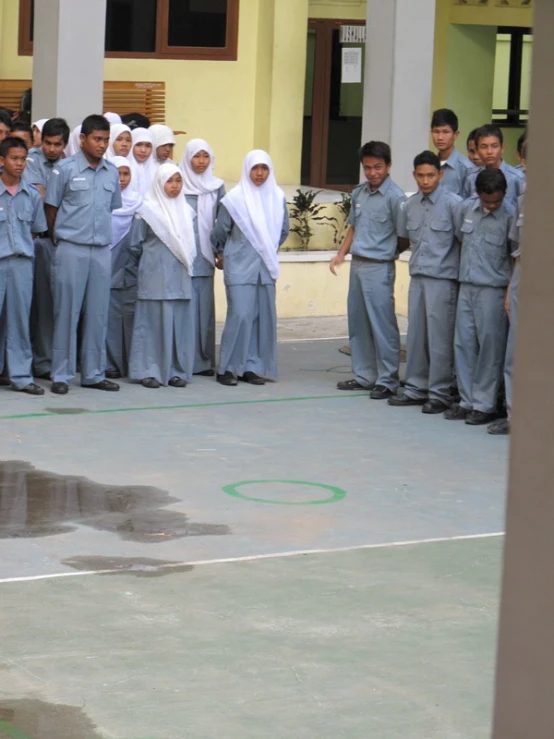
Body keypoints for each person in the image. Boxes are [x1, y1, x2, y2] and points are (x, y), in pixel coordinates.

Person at [45, 114, 122, 395]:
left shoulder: (111, 172)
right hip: (70, 248)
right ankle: (62, 374)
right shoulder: (64, 169)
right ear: (83, 140)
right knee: (66, 311)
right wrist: (61, 240)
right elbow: (51, 209)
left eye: (105, 140)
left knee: (98, 313)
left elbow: (111, 209)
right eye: (97, 139)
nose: (102, 145)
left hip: (101, 250)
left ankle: (93, 373)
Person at [330, 141, 407, 399]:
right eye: (368, 168)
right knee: (358, 322)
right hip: (358, 265)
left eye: (378, 167)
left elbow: (403, 235)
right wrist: (341, 254)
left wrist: (386, 253)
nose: (373, 172)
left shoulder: (395, 197)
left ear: (389, 166)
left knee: (382, 324)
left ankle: (388, 379)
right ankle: (364, 375)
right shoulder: (359, 193)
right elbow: (353, 226)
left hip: (379, 267)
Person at [389, 151, 461, 413]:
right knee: (417, 335)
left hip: (443, 280)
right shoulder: (410, 205)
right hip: (417, 277)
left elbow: (462, 243)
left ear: (440, 175)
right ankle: (416, 388)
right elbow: (405, 239)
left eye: (430, 175)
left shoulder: (454, 204)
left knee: (440, 338)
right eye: (420, 175)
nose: (425, 180)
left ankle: (440, 393)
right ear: (414, 175)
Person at [211, 150, 289, 387]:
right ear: (247, 169)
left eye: (264, 168)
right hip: (239, 265)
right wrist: (221, 253)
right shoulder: (235, 199)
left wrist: (266, 249)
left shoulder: (277, 197)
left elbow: (283, 229)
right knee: (241, 315)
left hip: (265, 268)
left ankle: (251, 367)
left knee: (260, 317)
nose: (259, 173)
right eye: (255, 168)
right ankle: (226, 368)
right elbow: (219, 231)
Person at [445, 168, 514, 425]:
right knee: (463, 344)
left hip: (493, 289)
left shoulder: (509, 216)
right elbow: (462, 242)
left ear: (504, 195)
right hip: (467, 285)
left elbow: (515, 256)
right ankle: (467, 400)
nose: (492, 205)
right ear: (478, 194)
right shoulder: (467, 209)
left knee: (490, 348)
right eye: (487, 201)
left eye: (497, 200)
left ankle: (484, 404)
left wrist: (508, 294)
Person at [128, 163, 196, 389]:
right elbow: (135, 245)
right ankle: (149, 370)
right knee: (152, 324)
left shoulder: (187, 212)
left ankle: (176, 370)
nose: (175, 186)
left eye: (178, 181)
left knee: (177, 324)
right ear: (159, 183)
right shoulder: (146, 211)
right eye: (169, 181)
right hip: (154, 277)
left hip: (179, 278)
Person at [0, 136, 47, 395]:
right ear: (2, 161)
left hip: (21, 265)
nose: (19, 164)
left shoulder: (31, 194)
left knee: (19, 322)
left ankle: (20, 376)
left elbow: (36, 230)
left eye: (22, 159)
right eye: (14, 159)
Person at [25, 118, 70, 380]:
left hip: (63, 241)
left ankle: (57, 360)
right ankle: (40, 361)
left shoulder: (70, 164)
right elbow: (42, 198)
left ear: (65, 144)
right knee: (39, 305)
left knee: (58, 304)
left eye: (58, 145)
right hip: (41, 239)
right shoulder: (30, 159)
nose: (52, 150)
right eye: (48, 144)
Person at [181, 139, 226, 376]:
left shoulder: (216, 186)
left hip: (206, 256)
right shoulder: (177, 181)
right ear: (187, 157)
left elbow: (222, 222)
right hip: (182, 255)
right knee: (184, 310)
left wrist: (220, 251)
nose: (200, 162)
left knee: (204, 311)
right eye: (196, 156)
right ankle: (182, 359)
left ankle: (203, 361)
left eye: (205, 156)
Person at [105, 157, 143, 379]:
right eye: (117, 173)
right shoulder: (104, 202)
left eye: (126, 174)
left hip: (130, 271)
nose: (121, 179)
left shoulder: (139, 204)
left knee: (130, 316)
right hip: (107, 267)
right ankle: (109, 363)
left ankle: (131, 362)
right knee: (108, 317)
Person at [463, 124, 525, 207]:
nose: (489, 151)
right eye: (484, 147)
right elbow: (465, 209)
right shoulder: (471, 178)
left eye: (494, 146)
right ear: (477, 150)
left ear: (502, 148)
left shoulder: (517, 179)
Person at [430, 108, 475, 196]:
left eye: (445, 132)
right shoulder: (430, 165)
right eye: (436, 132)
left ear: (455, 134)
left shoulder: (467, 169)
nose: (440, 137)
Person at [129, 128, 156, 197]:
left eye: (148, 146)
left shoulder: (157, 170)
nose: (143, 150)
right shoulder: (122, 169)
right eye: (138, 144)